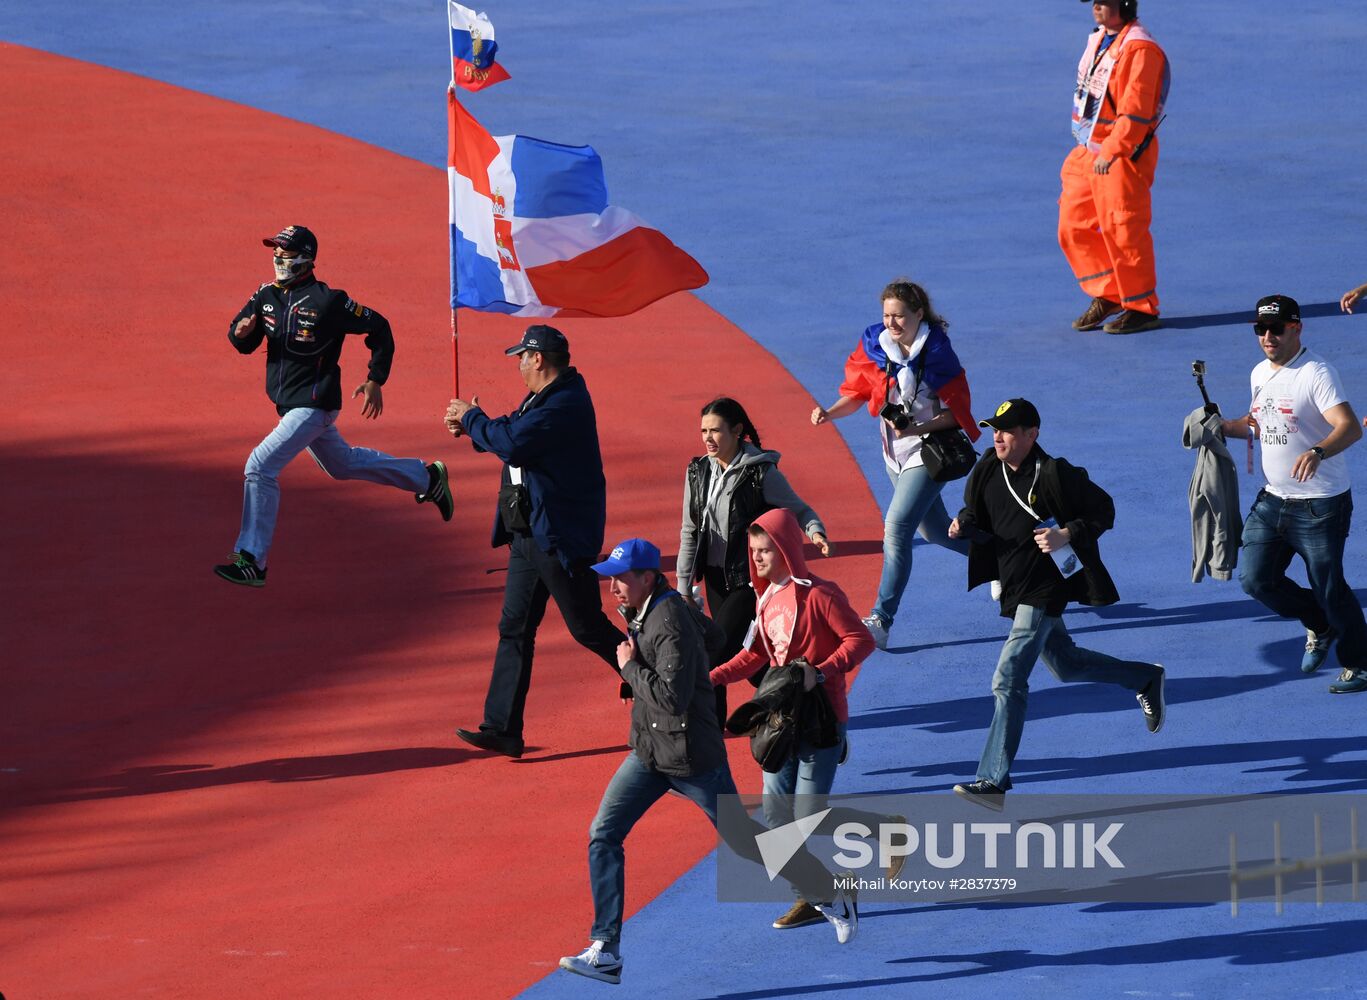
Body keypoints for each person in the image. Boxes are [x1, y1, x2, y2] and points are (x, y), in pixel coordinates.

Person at [559, 538, 858, 985]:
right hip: (651, 751)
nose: (613, 587)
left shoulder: (668, 621)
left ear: (645, 577)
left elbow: (672, 697)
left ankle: (829, 891)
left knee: (744, 842)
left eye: (620, 578)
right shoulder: (652, 610)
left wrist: (629, 667)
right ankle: (607, 949)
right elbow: (714, 636)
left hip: (691, 755)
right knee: (604, 832)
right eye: (610, 578)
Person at [948, 399, 1165, 809]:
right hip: (1012, 584)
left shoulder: (1054, 473)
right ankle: (1143, 678)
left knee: (1008, 678)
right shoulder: (987, 468)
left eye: (1008, 430)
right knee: (1066, 665)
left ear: (1032, 434)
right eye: (995, 428)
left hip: (1045, 587)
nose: (998, 436)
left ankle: (992, 780)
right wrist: (963, 523)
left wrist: (1067, 532)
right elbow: (974, 511)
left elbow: (1104, 509)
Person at [215, 225, 452, 587]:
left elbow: (381, 328)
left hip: (314, 405)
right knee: (341, 465)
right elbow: (242, 339)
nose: (278, 258)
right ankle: (427, 477)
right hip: (291, 407)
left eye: (285, 253)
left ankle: (252, 560)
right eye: (275, 252)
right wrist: (241, 332)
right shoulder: (265, 295)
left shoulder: (330, 301)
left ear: (305, 258)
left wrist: (375, 379)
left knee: (259, 467)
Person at [709, 508, 902, 931]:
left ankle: (888, 831)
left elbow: (861, 639)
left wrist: (823, 671)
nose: (757, 558)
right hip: (779, 723)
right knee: (779, 820)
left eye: (765, 550)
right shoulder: (762, 600)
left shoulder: (821, 595)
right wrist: (712, 677)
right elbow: (756, 655)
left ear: (786, 549)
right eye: (754, 550)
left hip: (821, 719)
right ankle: (815, 895)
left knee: (808, 814)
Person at [445, 325, 627, 757]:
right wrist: (475, 428)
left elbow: (516, 443)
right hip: (529, 532)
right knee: (514, 629)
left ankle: (663, 682)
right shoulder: (544, 398)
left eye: (521, 358)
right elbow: (512, 431)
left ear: (539, 358)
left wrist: (472, 421)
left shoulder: (564, 403)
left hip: (557, 536)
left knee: (587, 627)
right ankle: (502, 727)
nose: (518, 366)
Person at [810, 279, 979, 650]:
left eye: (900, 315)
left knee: (896, 527)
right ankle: (1003, 558)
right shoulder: (876, 346)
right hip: (894, 455)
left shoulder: (938, 353)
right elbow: (855, 393)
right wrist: (829, 412)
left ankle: (881, 620)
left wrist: (918, 426)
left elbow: (958, 415)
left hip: (929, 450)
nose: (892, 323)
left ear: (919, 314)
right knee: (934, 533)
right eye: (886, 315)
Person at [1220, 295, 1367, 693]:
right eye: (1260, 329)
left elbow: (1350, 427)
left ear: (1297, 328)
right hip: (1273, 501)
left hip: (1322, 504)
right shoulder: (1259, 373)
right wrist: (1220, 427)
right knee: (1255, 581)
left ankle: (1359, 662)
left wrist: (1318, 452)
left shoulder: (1316, 373)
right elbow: (1258, 424)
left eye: (1277, 328)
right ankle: (1319, 623)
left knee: (1330, 586)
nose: (1267, 336)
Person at [678, 396, 831, 723]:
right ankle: (804, 702)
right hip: (715, 578)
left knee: (714, 652)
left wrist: (815, 531)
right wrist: (683, 585)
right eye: (703, 430)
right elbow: (690, 530)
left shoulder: (760, 473)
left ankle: (711, 727)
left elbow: (799, 508)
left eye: (716, 431)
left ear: (737, 431)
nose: (708, 438)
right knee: (747, 657)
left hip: (750, 579)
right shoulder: (697, 472)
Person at [1060, 0, 1170, 335]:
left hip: (1120, 156)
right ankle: (1109, 293)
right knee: (1072, 226)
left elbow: (1135, 111)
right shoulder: (1099, 38)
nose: (1096, 6)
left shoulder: (1140, 49)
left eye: (1103, 1)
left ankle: (1141, 306)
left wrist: (1113, 150)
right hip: (1088, 149)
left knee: (1124, 230)